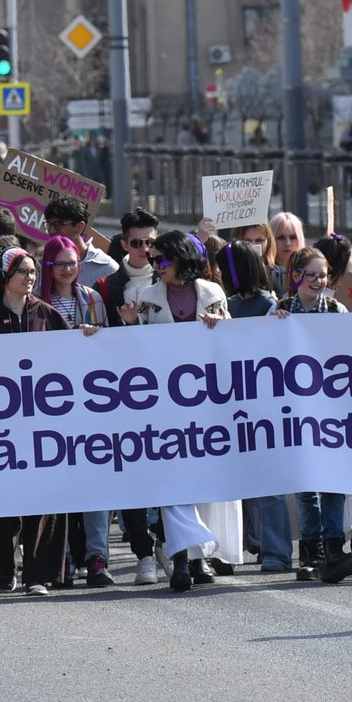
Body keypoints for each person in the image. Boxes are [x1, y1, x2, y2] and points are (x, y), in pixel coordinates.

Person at [131, 231, 232, 591]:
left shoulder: (213, 293)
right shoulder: (148, 296)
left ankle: (198, 556)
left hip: (205, 400)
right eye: (152, 260)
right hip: (163, 402)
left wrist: (221, 329)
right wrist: (129, 326)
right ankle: (179, 560)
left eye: (162, 260)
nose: (155, 266)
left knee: (200, 480)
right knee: (172, 482)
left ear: (182, 259)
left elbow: (232, 346)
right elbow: (138, 349)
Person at [0, 248, 70, 594]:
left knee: (44, 500)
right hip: (1, 428)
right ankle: (5, 565)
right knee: (4, 505)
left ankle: (37, 574)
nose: (30, 277)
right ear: (4, 277)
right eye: (22, 271)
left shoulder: (47, 314)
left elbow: (73, 359)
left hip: (43, 425)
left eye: (32, 271)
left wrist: (85, 339)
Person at [273, 245, 352, 582]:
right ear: (296, 276)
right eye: (312, 275)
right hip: (295, 408)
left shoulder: (335, 309)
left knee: (332, 480)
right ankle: (311, 550)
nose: (319, 281)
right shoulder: (281, 309)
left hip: (330, 407)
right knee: (305, 486)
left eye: (323, 275)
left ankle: (334, 546)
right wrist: (272, 327)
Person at [100, 207, 158, 328]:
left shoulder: (169, 280)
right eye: (136, 243)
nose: (145, 249)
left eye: (150, 242)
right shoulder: (105, 286)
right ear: (125, 245)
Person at [43, 195, 117, 285]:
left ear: (79, 227)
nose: (52, 230)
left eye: (59, 224)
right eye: (49, 224)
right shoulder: (43, 265)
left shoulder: (106, 268)